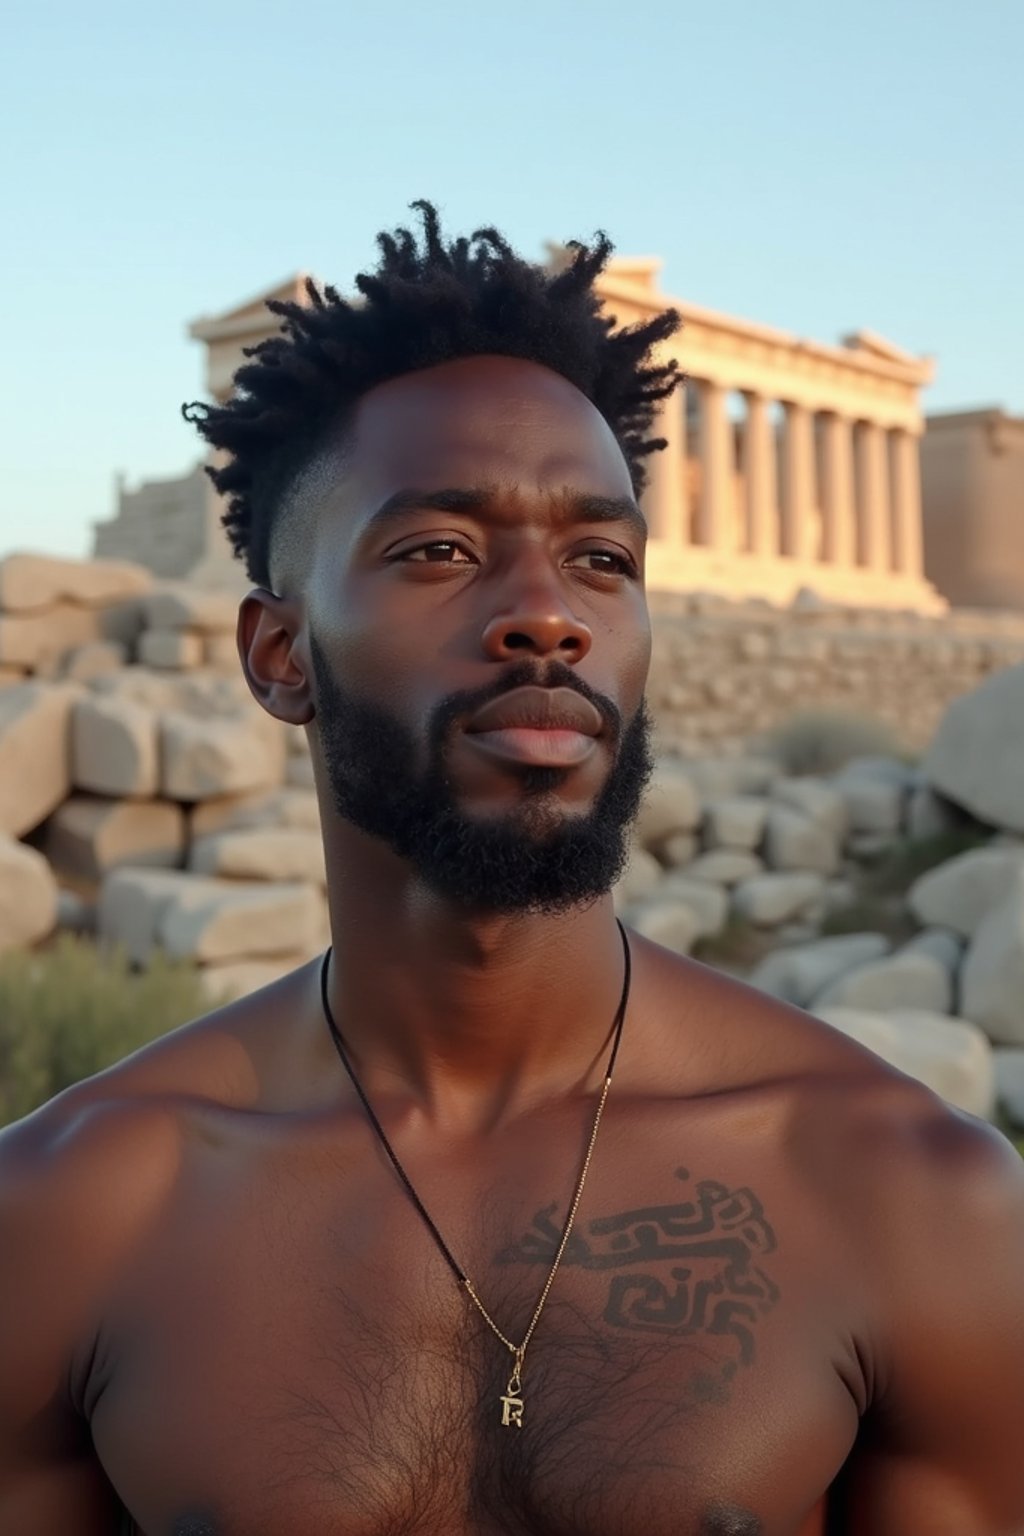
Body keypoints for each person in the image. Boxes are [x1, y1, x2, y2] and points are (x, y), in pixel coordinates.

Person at [2, 203, 1023, 1536]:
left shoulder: (908, 1196)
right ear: (277, 655)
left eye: (602, 559)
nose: (548, 612)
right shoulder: (69, 1218)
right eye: (440, 549)